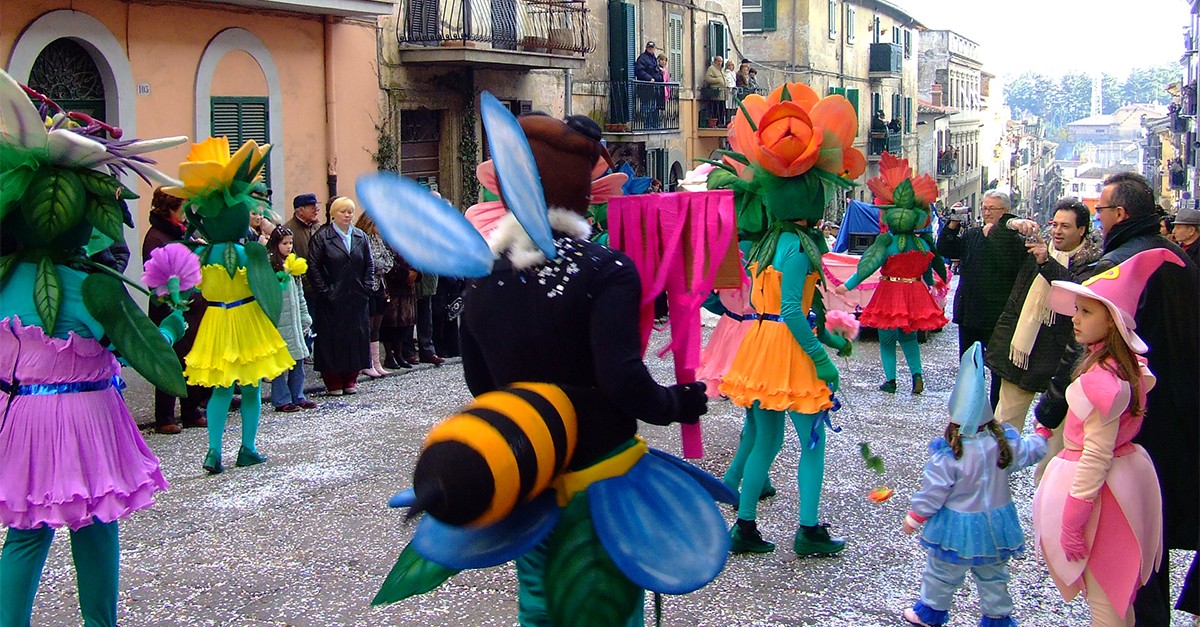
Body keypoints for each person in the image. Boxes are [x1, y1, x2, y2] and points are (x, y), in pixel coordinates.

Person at [0, 70, 183, 625]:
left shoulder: (5, 280)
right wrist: (170, 328)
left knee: (27, 531)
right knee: (95, 523)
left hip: (25, 411)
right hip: (90, 412)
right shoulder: (96, 285)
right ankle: (100, 622)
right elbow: (135, 348)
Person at [1035, 172, 1199, 623]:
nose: (1100, 218)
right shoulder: (1182, 261)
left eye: (1102, 211)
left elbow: (1080, 351)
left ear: (1119, 214)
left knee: (1121, 542)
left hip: (1130, 421)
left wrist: (1050, 408)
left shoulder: (1117, 268)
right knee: (1152, 533)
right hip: (1173, 413)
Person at [170, 137, 295, 475]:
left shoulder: (200, 254)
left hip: (216, 319)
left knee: (221, 391)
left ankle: (213, 451)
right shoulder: (248, 252)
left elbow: (187, 290)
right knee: (251, 388)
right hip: (246, 318)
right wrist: (283, 278)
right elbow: (267, 285)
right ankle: (247, 447)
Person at [902, 343, 1048, 627]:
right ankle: (997, 618)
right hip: (996, 524)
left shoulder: (949, 454)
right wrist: (1041, 434)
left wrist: (915, 516)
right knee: (993, 575)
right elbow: (1030, 450)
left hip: (956, 528)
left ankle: (930, 612)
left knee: (942, 572)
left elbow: (934, 492)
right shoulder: (1002, 444)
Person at [986, 198, 1101, 479]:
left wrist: (1046, 262)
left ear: (1082, 230)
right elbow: (996, 236)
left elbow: (1078, 291)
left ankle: (1048, 494)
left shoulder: (1094, 262)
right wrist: (1014, 222)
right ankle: (992, 483)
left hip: (1060, 361)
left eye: (1066, 226)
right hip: (1021, 351)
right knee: (1004, 422)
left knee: (1057, 440)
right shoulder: (1037, 250)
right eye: (1055, 225)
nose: (1058, 231)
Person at [836, 154, 947, 395]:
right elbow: (930, 273)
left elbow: (868, 265)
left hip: (890, 291)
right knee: (909, 338)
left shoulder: (886, 243)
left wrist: (847, 286)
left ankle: (891, 381)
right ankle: (917, 375)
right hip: (915, 291)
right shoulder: (924, 245)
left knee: (886, 340)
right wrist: (931, 286)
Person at [936, 190, 1030, 407]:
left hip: (998, 313)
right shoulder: (973, 234)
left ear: (1005, 212)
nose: (986, 213)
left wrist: (996, 236)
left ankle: (995, 411)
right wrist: (952, 225)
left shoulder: (1016, 239)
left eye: (992, 209)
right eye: (984, 208)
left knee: (997, 367)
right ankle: (969, 408)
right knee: (969, 365)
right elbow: (947, 249)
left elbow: (1009, 266)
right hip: (970, 311)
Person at [142, 186, 211, 434]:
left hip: (191, 307)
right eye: (184, 206)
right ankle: (165, 416)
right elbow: (157, 276)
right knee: (169, 360)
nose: (187, 212)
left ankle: (191, 411)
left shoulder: (180, 232)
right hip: (169, 309)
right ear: (171, 207)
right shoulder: (157, 237)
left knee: (189, 359)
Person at [308, 196, 374, 396]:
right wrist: (325, 292)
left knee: (355, 338)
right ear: (333, 215)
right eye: (343, 212)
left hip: (356, 298)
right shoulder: (323, 237)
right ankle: (334, 380)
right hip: (332, 299)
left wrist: (366, 288)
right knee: (332, 339)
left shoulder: (361, 237)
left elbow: (369, 265)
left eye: (350, 212)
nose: (347, 215)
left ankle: (351, 378)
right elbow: (313, 267)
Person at [266, 226, 317, 413]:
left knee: (298, 359)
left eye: (291, 243)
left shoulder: (293, 265)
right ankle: (281, 398)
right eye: (284, 243)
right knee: (280, 361)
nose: (288, 247)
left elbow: (300, 295)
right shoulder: (270, 266)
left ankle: (298, 395)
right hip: (278, 321)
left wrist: (305, 317)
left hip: (294, 321)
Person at [356, 212, 395, 378]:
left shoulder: (379, 240)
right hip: (368, 286)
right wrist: (380, 265)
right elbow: (374, 263)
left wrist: (381, 265)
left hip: (380, 285)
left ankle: (375, 361)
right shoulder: (363, 239)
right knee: (368, 325)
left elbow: (388, 261)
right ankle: (366, 362)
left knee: (376, 326)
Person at [634, 41, 662, 129]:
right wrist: (649, 78)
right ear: (646, 48)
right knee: (646, 108)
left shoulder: (654, 59)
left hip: (653, 88)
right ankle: (647, 126)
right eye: (649, 48)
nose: (651, 49)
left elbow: (655, 70)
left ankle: (653, 125)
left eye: (652, 48)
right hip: (645, 88)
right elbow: (639, 71)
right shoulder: (642, 58)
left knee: (653, 107)